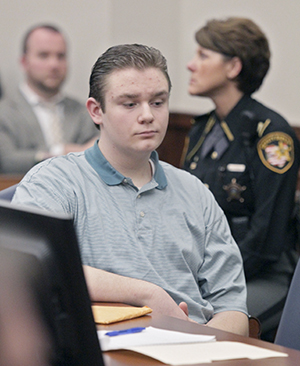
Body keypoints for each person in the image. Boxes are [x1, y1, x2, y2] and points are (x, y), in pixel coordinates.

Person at [12, 43, 248, 336]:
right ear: (96, 111)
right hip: (106, 353)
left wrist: (200, 345)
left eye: (158, 102)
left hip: (196, 354)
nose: (148, 115)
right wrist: (149, 294)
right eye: (130, 103)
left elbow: (233, 308)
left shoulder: (196, 192)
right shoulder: (55, 181)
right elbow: (36, 269)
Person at [181, 17, 300, 341]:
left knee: (205, 333)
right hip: (204, 271)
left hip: (260, 275)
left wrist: (210, 279)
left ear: (233, 66)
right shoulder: (201, 129)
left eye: (203, 55)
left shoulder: (271, 136)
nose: (191, 65)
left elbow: (267, 238)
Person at [0, 24, 98, 174]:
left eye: (61, 56)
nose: (54, 64)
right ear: (24, 62)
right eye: (43, 55)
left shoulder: (83, 111)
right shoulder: (4, 112)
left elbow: (99, 153)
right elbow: (6, 161)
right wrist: (60, 152)